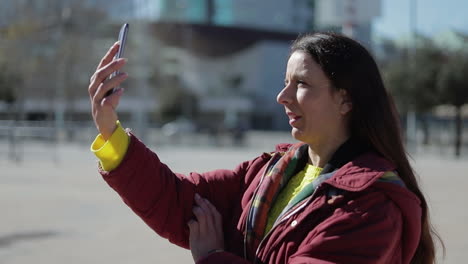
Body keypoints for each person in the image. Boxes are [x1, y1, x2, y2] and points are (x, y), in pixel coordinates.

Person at [88, 33, 440, 263]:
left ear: (345, 100)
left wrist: (213, 257)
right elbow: (177, 201)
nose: (282, 97)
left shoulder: (372, 208)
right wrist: (110, 130)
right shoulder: (269, 171)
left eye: (301, 84)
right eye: (285, 82)